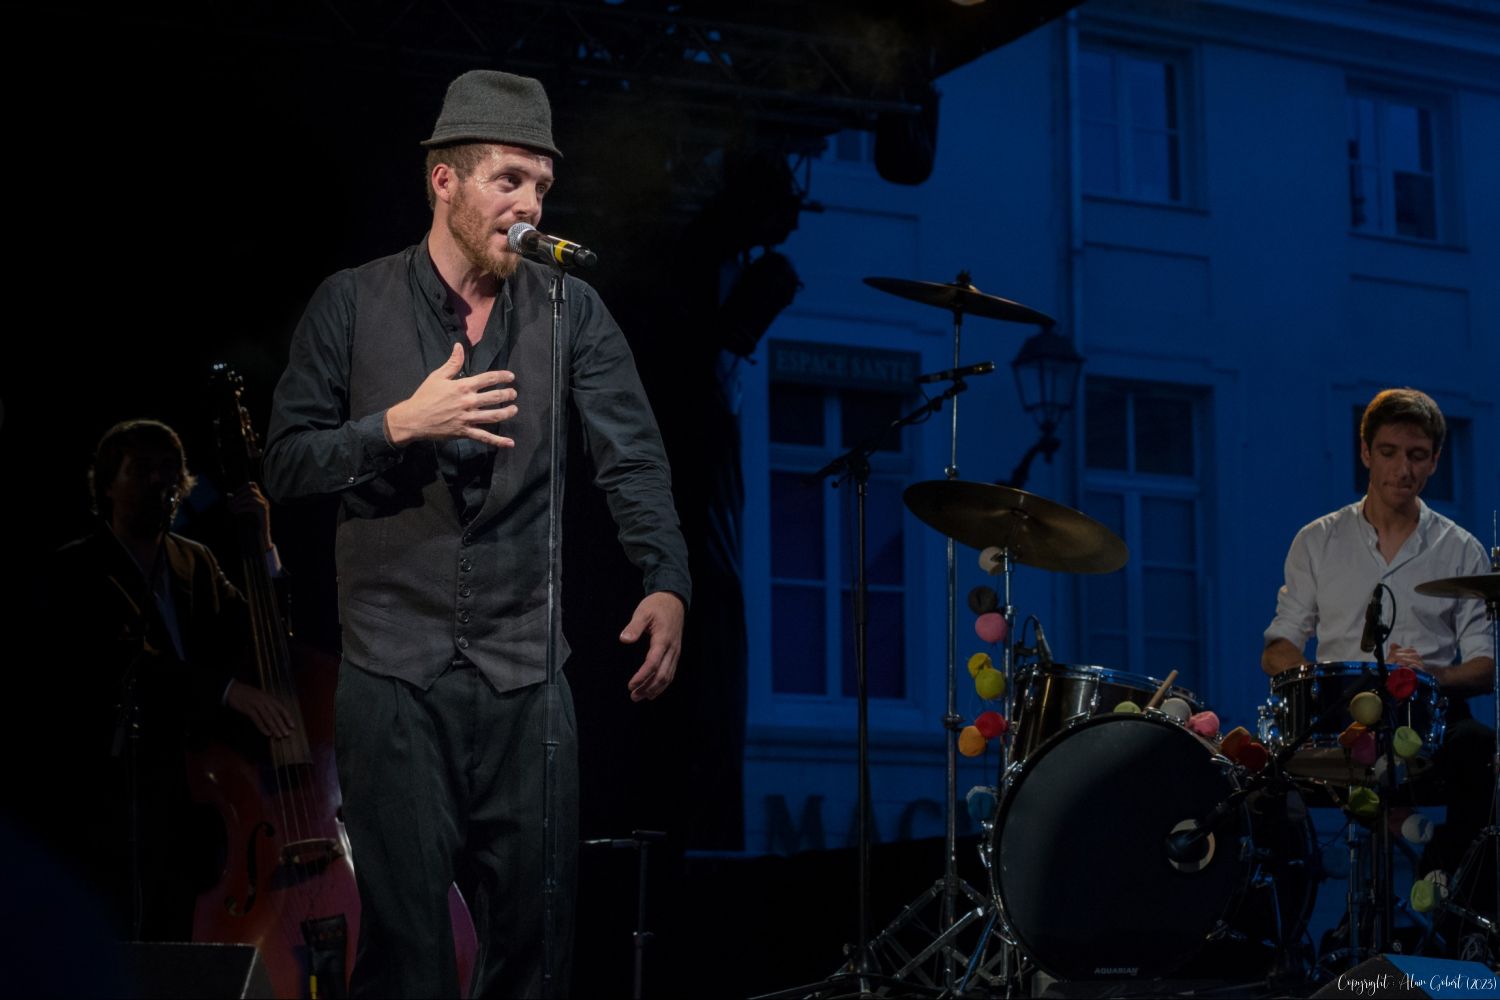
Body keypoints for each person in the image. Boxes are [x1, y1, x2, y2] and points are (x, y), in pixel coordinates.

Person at [262, 69, 690, 997]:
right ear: (444, 181)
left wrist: (666, 578)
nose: (530, 203)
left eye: (542, 184)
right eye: (510, 180)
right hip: (392, 671)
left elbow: (632, 458)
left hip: (525, 674)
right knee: (408, 954)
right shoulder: (352, 302)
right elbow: (285, 463)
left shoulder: (571, 310)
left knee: (537, 948)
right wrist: (396, 427)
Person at [44, 418, 294, 940]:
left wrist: (264, 548)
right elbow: (123, 662)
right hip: (121, 800)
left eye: (169, 470)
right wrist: (226, 691)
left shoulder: (195, 561)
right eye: (142, 470)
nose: (160, 482)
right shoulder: (77, 568)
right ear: (107, 484)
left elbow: (258, 640)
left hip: (205, 798)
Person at [1261, 388, 1494, 917]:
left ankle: (1446, 899)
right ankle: (1283, 932)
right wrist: (1307, 674)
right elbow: (1278, 646)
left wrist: (1431, 674)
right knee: (1260, 782)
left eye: (1417, 456)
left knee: (1483, 750)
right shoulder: (1317, 540)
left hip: (1431, 717)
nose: (1402, 470)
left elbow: (1486, 667)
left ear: (1435, 460)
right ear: (1365, 452)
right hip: (1341, 715)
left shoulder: (1460, 548)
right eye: (1389, 452)